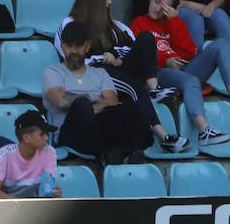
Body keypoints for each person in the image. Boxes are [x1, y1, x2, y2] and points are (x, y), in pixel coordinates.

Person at [131, 0, 230, 145]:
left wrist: (174, 20)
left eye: (165, 6)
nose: (158, 8)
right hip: (158, 74)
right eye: (157, 2)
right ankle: (204, 131)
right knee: (191, 80)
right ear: (150, 0)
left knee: (221, 44)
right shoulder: (138, 23)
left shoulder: (171, 22)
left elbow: (189, 52)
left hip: (181, 70)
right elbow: (139, 55)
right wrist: (166, 61)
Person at [43, 20, 152, 164]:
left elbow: (112, 101)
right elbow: (60, 99)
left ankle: (127, 153)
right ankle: (111, 154)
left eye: (79, 46)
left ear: (87, 46)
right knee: (81, 105)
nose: (74, 51)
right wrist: (93, 99)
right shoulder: (53, 72)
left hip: (101, 129)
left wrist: (85, 103)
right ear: (62, 45)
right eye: (69, 46)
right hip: (70, 134)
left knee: (128, 107)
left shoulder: (100, 73)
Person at [0, 111, 60, 198]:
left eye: (46, 134)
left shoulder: (49, 152)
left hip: (32, 205)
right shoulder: (5, 153)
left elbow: (48, 187)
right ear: (26, 138)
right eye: (42, 134)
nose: (47, 138)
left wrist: (53, 193)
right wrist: (22, 206)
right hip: (6, 206)